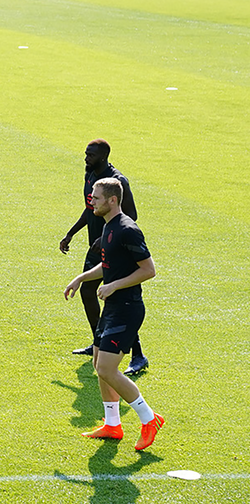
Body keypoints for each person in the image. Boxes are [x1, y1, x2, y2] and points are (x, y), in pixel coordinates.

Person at [64, 179, 164, 451]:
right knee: (99, 366)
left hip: (127, 309)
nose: (91, 201)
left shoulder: (128, 230)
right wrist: (81, 278)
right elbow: (107, 265)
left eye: (95, 198)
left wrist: (114, 285)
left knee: (108, 368)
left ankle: (149, 418)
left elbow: (149, 270)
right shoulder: (108, 226)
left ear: (112, 200)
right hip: (112, 309)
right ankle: (112, 425)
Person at [59, 140, 148, 374]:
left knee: (117, 298)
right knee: (88, 291)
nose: (86, 157)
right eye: (86, 153)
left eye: (91, 154)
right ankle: (99, 341)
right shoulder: (91, 175)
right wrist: (71, 233)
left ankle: (138, 355)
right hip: (97, 246)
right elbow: (91, 208)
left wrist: (108, 234)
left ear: (104, 156)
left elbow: (132, 214)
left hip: (114, 248)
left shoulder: (117, 182)